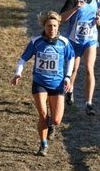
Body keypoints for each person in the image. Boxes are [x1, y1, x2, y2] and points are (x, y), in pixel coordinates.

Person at [10, 11, 75, 156]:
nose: (52, 29)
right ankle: (43, 144)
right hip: (39, 83)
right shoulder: (36, 41)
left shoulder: (64, 42)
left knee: (56, 120)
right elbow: (23, 58)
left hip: (57, 84)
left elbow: (70, 58)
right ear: (44, 26)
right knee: (43, 115)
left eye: (54, 26)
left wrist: (68, 77)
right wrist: (17, 73)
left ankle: (52, 125)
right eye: (49, 26)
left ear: (58, 26)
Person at [60, 0, 100, 116]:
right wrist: (75, 9)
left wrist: (99, 21)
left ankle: (88, 103)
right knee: (73, 70)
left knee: (89, 69)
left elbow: (96, 15)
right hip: (74, 40)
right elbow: (61, 18)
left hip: (90, 40)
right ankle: (69, 90)